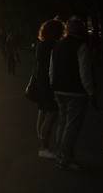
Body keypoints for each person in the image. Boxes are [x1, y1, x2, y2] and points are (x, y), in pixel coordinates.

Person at [49, 16, 97, 171]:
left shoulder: (57, 45)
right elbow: (85, 73)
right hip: (76, 92)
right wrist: (91, 92)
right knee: (72, 126)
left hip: (59, 90)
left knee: (62, 124)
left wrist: (54, 85)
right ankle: (65, 158)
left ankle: (61, 155)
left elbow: (52, 70)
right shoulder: (81, 46)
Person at [32, 19, 64, 158]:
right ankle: (43, 147)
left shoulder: (41, 45)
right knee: (51, 113)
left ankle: (43, 144)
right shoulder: (54, 46)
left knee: (43, 112)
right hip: (49, 83)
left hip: (41, 82)